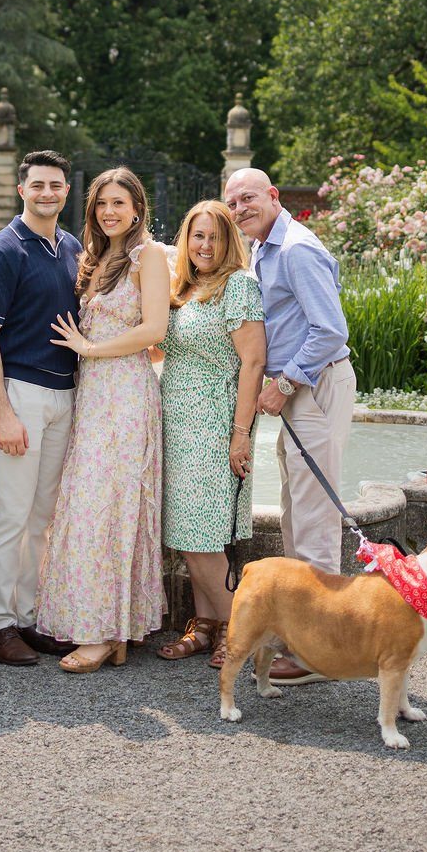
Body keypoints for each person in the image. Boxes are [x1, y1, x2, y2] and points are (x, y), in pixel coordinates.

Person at [224, 166, 356, 687]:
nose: (240, 209)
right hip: (299, 390)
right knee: (296, 512)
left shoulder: (297, 250)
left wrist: (282, 383)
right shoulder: (263, 248)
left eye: (248, 198)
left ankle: (322, 652)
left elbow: (330, 331)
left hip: (314, 386)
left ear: (273, 196)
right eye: (233, 203)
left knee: (315, 517)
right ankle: (305, 633)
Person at [36, 167, 170, 672]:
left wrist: (90, 347)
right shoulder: (94, 257)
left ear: (137, 208)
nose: (109, 212)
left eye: (119, 203)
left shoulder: (147, 256)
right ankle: (107, 629)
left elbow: (154, 329)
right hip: (92, 396)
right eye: (102, 204)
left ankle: (104, 632)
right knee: (88, 508)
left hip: (127, 395)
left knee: (111, 508)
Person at [0, 150, 82, 666]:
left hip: (64, 394)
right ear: (22, 190)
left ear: (66, 191)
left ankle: (28, 616)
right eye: (37, 185)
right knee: (12, 512)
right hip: (18, 392)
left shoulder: (71, 247)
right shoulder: (2, 251)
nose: (47, 193)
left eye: (55, 185)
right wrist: (4, 413)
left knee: (42, 516)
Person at [155, 200, 266, 669]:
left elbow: (254, 363)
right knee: (187, 532)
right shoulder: (183, 287)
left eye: (214, 237)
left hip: (214, 425)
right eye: (197, 236)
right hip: (177, 425)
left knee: (202, 535)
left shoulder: (238, 285)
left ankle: (241, 632)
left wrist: (240, 434)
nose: (204, 245)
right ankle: (205, 626)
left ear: (228, 242)